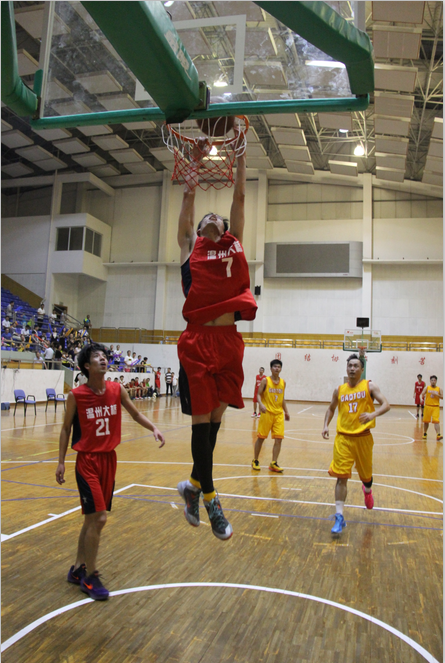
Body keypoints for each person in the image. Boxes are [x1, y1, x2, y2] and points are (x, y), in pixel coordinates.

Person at [176, 144, 257, 541]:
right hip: (197, 342)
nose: (210, 216)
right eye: (204, 218)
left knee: (213, 426)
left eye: (216, 216)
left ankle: (192, 485)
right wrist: (193, 163)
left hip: (228, 342)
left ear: (224, 227)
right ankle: (210, 500)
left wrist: (240, 154)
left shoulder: (234, 242)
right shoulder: (190, 247)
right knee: (201, 425)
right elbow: (189, 199)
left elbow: (239, 195)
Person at [56, 343, 165, 601]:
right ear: (86, 365)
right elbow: (66, 429)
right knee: (99, 518)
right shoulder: (76, 395)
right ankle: (90, 576)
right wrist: (60, 462)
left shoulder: (117, 389)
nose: (103, 359)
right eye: (97, 357)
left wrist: (153, 428)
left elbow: (135, 413)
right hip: (87, 461)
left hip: (109, 460)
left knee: (90, 519)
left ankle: (77, 568)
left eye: (105, 356)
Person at [322, 354, 390, 535]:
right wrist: (325, 425)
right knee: (341, 477)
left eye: (356, 366)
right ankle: (339, 516)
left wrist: (372, 414)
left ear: (362, 369)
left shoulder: (370, 386)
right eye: (350, 366)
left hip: (363, 438)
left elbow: (386, 404)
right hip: (343, 438)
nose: (352, 369)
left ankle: (367, 490)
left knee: (366, 476)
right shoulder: (339, 390)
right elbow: (331, 408)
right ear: (346, 369)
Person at [252, 360, 290, 472]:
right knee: (261, 438)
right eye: (275, 366)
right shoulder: (265, 381)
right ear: (271, 368)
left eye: (278, 367)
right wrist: (261, 404)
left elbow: (282, 398)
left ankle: (274, 463)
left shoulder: (283, 382)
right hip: (267, 413)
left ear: (281, 369)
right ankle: (255, 460)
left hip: (278, 414)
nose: (277, 368)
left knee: (279, 439)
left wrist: (286, 411)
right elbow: (258, 394)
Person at [421, 376, 443, 441]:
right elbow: (422, 394)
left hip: (435, 407)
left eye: (434, 380)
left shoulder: (439, 389)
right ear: (430, 381)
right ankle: (425, 433)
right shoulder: (427, 387)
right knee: (426, 421)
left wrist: (436, 395)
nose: (433, 381)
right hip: (427, 406)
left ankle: (438, 434)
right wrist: (422, 397)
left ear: (436, 381)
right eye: (432, 380)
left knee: (436, 421)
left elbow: (442, 397)